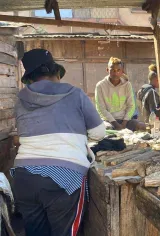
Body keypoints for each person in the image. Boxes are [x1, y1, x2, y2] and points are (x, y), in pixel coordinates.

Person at [11, 49, 106, 236]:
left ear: (30, 79)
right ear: (56, 72)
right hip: (63, 179)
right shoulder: (75, 94)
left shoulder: (20, 101)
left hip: (24, 178)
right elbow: (99, 132)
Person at [95, 57, 146, 131]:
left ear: (122, 71)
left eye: (118, 70)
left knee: (142, 126)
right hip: (108, 121)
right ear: (107, 70)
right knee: (107, 129)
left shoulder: (127, 84)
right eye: (112, 70)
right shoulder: (100, 85)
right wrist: (115, 124)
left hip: (125, 120)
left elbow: (131, 106)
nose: (116, 73)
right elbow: (101, 109)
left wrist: (124, 124)